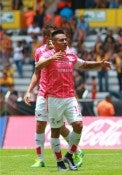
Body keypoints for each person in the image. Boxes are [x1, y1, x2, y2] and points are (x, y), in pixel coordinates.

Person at [35, 29, 111, 171]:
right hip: (53, 98)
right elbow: (38, 66)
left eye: (65, 39)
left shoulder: (71, 56)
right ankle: (59, 162)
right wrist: (52, 59)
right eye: (61, 40)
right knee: (56, 131)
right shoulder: (46, 55)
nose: (65, 41)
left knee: (78, 125)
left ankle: (69, 155)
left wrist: (100, 63)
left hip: (70, 97)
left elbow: (85, 64)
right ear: (53, 42)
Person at [24, 25, 84, 168]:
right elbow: (37, 72)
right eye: (53, 36)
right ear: (47, 38)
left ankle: (76, 152)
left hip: (58, 95)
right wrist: (29, 90)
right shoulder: (40, 52)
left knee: (59, 127)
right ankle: (40, 159)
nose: (59, 40)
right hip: (42, 93)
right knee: (40, 124)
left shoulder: (65, 51)